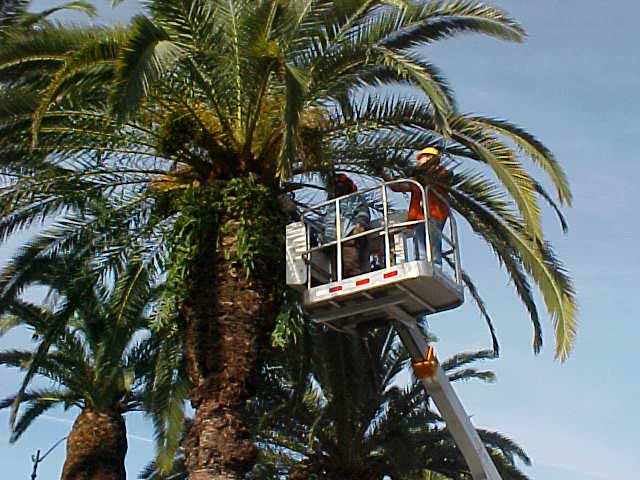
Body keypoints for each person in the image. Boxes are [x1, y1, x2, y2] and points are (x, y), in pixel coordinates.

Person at [380, 146, 450, 265]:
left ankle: (435, 268)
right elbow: (398, 187)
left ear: (430, 158)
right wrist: (383, 174)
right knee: (421, 251)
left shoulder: (441, 172)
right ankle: (425, 267)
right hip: (419, 217)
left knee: (431, 249)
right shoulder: (417, 179)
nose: (419, 161)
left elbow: (439, 180)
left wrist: (419, 175)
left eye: (421, 158)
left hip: (433, 215)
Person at [323, 174, 371, 278]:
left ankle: (356, 286)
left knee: (351, 270)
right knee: (338, 272)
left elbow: (363, 212)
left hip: (349, 237)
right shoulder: (330, 205)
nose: (339, 186)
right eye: (336, 184)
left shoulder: (355, 199)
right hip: (333, 242)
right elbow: (327, 223)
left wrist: (360, 225)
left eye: (341, 183)